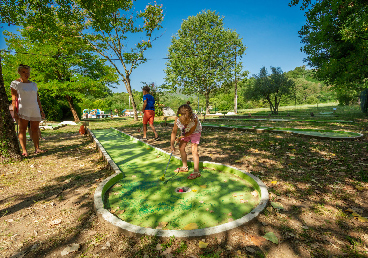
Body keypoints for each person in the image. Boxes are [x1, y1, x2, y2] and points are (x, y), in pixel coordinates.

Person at [11, 64, 46, 156]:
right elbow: (13, 99)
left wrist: (41, 110)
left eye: (28, 72)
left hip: (34, 108)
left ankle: (37, 148)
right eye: (23, 72)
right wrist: (14, 111)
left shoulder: (34, 84)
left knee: (35, 128)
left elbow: (37, 98)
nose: (26, 74)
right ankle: (24, 150)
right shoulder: (15, 84)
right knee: (22, 129)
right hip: (23, 109)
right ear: (19, 72)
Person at [170, 102, 202, 179]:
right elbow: (174, 132)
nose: (184, 123)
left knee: (194, 148)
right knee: (181, 147)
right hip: (185, 131)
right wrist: (172, 144)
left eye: (186, 121)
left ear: (190, 117)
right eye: (182, 122)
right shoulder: (178, 118)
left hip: (195, 131)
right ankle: (185, 167)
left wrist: (180, 137)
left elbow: (191, 132)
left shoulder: (194, 119)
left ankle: (196, 171)